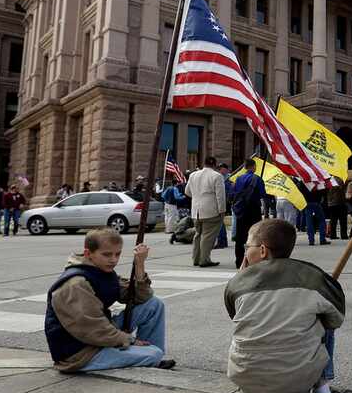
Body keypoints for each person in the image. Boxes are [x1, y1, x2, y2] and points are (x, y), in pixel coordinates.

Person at [225, 219, 344, 393]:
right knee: (325, 317)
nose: (246, 251)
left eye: (247, 246)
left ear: (263, 250)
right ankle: (322, 387)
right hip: (299, 382)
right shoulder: (312, 277)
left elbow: (233, 313)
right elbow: (337, 318)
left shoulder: (237, 283)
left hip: (248, 383)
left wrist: (241, 276)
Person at [44, 228, 174, 372]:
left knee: (153, 305)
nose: (113, 259)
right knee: (153, 353)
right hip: (80, 353)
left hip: (99, 335)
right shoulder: (76, 283)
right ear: (88, 253)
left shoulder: (101, 271)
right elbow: (92, 328)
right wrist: (129, 340)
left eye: (117, 254)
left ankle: (150, 357)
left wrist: (139, 265)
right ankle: (150, 356)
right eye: (107, 254)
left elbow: (141, 297)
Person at [184, 157, 226, 267]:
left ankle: (196, 258)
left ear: (204, 163)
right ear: (215, 165)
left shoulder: (193, 175)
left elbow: (187, 192)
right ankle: (204, 259)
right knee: (208, 236)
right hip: (211, 210)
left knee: (198, 234)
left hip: (196, 210)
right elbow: (220, 196)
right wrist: (222, 210)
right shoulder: (217, 176)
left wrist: (198, 197)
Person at [232, 159, 266, 269]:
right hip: (253, 209)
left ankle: (239, 260)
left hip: (241, 209)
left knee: (240, 235)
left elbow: (234, 193)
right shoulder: (257, 179)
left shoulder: (239, 179)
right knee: (254, 235)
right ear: (253, 167)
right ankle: (252, 260)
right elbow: (262, 194)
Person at [298, 181, 329, 246]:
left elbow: (300, 192)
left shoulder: (302, 182)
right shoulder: (317, 180)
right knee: (321, 220)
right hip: (316, 202)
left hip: (307, 202)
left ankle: (311, 240)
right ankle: (322, 239)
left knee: (309, 222)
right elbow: (323, 190)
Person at [215, 163, 234, 250]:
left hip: (224, 202)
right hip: (221, 201)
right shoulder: (221, 177)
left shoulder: (229, 179)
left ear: (225, 169)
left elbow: (230, 191)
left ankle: (221, 241)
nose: (219, 170)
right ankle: (223, 241)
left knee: (219, 222)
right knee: (219, 222)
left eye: (221, 168)